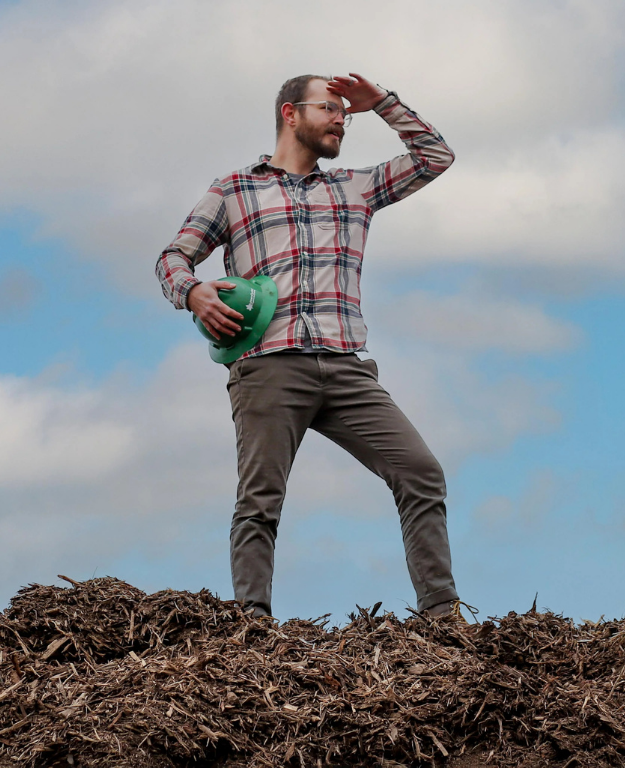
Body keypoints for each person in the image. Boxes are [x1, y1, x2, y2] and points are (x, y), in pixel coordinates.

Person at [155, 73, 459, 620]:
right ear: (290, 114)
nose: (342, 117)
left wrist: (384, 104)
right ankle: (252, 623)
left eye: (345, 111)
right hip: (269, 369)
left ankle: (442, 617)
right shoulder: (233, 190)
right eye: (330, 107)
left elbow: (435, 156)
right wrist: (194, 292)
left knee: (420, 472)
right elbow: (172, 258)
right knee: (260, 501)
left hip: (347, 368)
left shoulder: (355, 187)